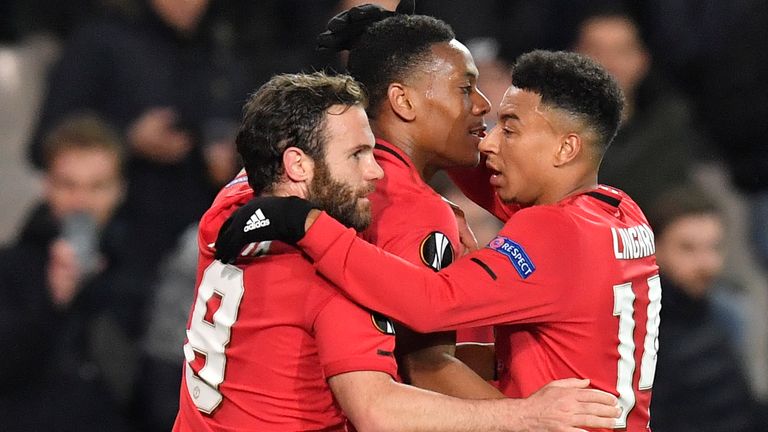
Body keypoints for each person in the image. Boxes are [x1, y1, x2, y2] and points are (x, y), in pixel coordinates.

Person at [216, 50, 657, 431]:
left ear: (566, 149)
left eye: (510, 128)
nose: (489, 144)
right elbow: (478, 173)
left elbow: (431, 303)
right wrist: (408, 108)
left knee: (423, 356)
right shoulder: (620, 213)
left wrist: (306, 223)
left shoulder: (555, 233)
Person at [317, 1, 498, 397]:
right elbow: (425, 367)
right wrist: (536, 420)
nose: (483, 104)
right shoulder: (411, 207)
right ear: (403, 101)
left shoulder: (327, 174)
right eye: (466, 88)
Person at [0, 114, 134, 430]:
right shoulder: (11, 268)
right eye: (68, 184)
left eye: (97, 186)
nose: (81, 201)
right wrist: (53, 302)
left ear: (120, 190)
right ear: (47, 186)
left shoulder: (140, 268)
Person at [572, 6, 713, 211]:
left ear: (642, 59)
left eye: (621, 51)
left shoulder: (670, 126)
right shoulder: (547, 129)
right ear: (572, 57)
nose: (610, 64)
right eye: (597, 52)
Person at [646, 186, 760, 432]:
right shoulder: (643, 330)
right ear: (655, 249)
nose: (707, 263)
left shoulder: (719, 308)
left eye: (714, 247)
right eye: (688, 248)